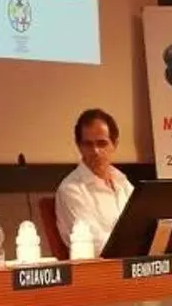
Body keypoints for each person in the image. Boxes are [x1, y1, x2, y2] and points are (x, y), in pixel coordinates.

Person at [55, 108, 134, 255]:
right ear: (79, 146)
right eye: (88, 144)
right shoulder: (71, 189)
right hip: (99, 265)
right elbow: (94, 243)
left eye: (102, 143)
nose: (95, 151)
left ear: (115, 144)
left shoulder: (122, 182)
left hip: (135, 261)